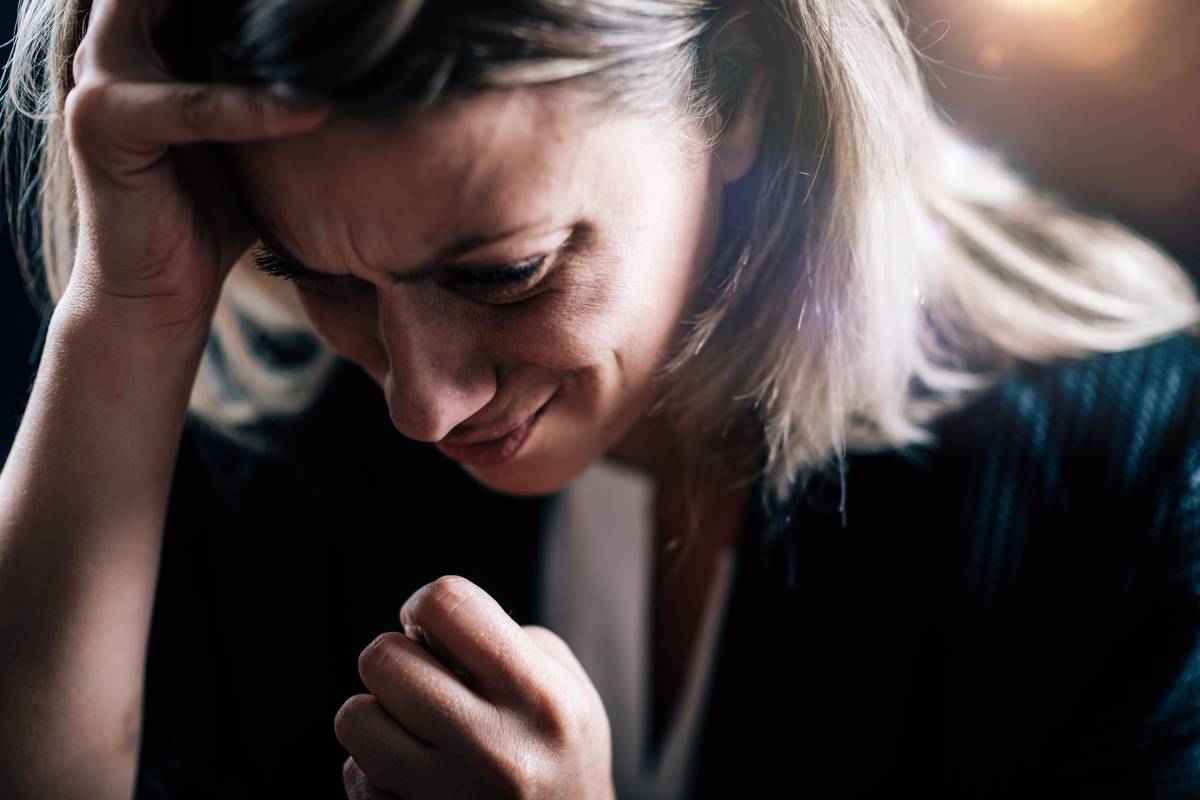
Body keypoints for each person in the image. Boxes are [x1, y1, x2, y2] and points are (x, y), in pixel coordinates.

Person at [1, 0, 1198, 797]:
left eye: (504, 273)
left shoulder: (1138, 477)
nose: (420, 402)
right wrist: (128, 313)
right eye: (315, 273)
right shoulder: (268, 421)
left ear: (738, 93)